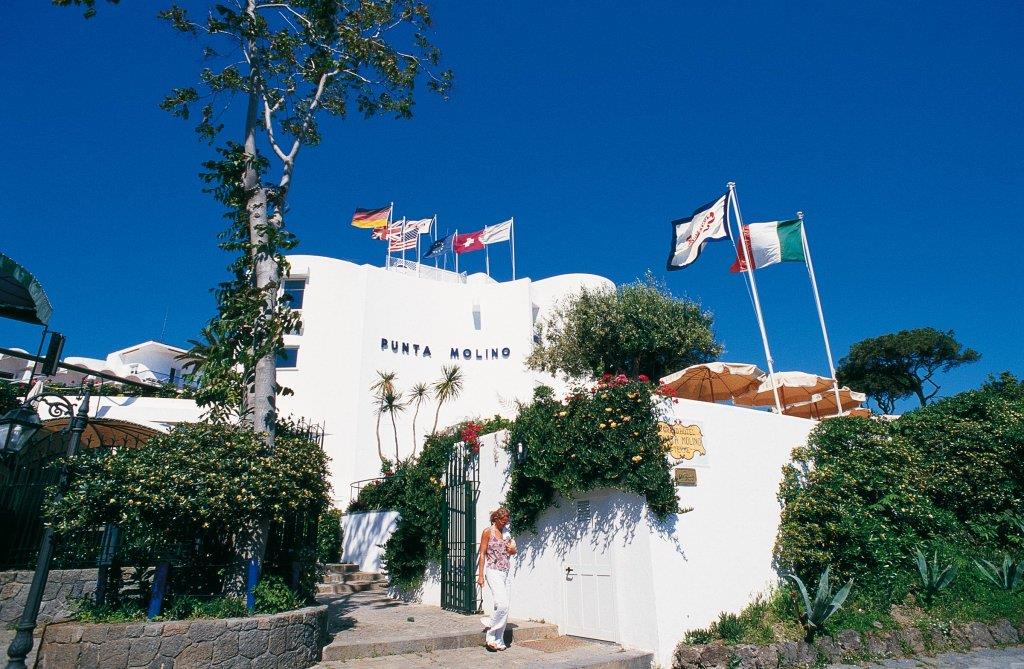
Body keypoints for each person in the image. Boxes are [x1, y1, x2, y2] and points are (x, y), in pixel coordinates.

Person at [476, 506, 516, 651]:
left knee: (504, 608)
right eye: (503, 522)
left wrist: (512, 550)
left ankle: (498, 640)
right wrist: (480, 575)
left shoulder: (506, 533)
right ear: (496, 519)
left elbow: (512, 550)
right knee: (502, 604)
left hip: (506, 572)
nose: (505, 524)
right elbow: (482, 554)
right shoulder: (488, 532)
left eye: (506, 522)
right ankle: (491, 631)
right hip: (493, 571)